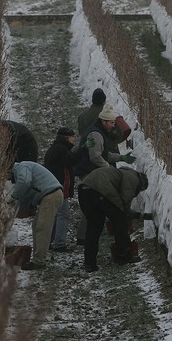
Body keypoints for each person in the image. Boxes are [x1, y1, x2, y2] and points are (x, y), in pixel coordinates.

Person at [73, 103, 136, 245]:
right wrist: (109, 169)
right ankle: (83, 236)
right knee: (90, 204)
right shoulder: (96, 134)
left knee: (93, 203)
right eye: (112, 123)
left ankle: (86, 234)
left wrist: (121, 158)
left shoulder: (99, 132)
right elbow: (95, 156)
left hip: (91, 171)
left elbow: (104, 154)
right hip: (88, 172)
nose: (114, 125)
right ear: (104, 121)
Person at [78, 166, 149, 272]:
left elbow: (118, 205)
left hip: (84, 190)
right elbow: (123, 206)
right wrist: (136, 216)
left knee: (93, 228)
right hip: (100, 190)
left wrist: (138, 215)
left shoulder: (123, 173)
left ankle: (89, 263)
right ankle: (124, 255)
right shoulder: (134, 179)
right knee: (120, 221)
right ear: (142, 183)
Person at [8, 161, 64, 270]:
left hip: (51, 195)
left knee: (42, 227)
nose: (9, 180)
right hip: (50, 195)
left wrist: (14, 197)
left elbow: (24, 182)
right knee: (36, 225)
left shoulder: (22, 167)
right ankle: (37, 258)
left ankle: (39, 261)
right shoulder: (24, 170)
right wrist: (14, 212)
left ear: (9, 171)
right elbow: (25, 198)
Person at [44, 127, 85, 252]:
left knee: (55, 215)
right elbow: (71, 160)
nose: (74, 139)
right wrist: (83, 149)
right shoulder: (62, 150)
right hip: (60, 188)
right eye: (72, 137)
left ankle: (50, 241)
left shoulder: (54, 149)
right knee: (63, 215)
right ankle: (59, 243)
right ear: (67, 138)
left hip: (52, 186)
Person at [77, 88, 122, 154]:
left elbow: (81, 132)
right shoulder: (108, 116)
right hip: (108, 153)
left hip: (88, 151)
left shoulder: (82, 116)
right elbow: (118, 134)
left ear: (93, 100)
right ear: (104, 100)